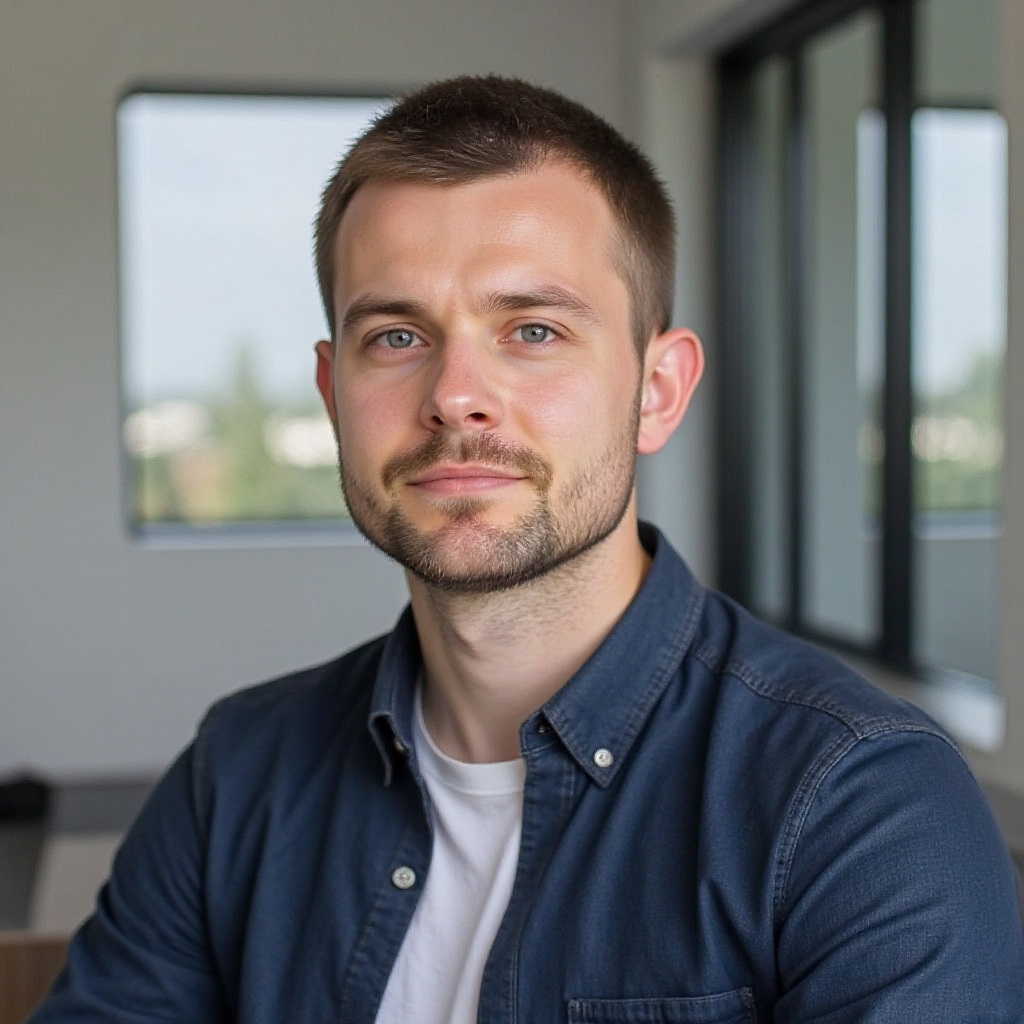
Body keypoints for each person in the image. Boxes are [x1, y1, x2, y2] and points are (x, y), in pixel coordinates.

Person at [31, 75, 1023, 1023]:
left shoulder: (860, 803)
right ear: (335, 396)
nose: (455, 394)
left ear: (658, 390)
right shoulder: (235, 776)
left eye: (534, 330)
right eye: (396, 337)